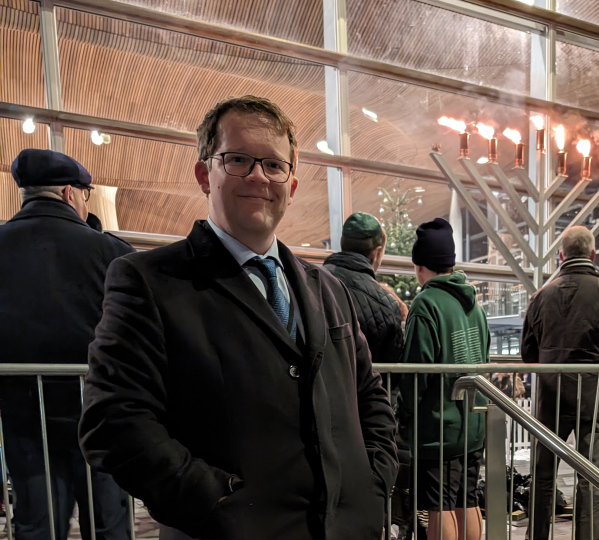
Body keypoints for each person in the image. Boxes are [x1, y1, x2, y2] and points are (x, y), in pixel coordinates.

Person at [79, 96, 398, 540]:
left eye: (273, 165)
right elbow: (114, 420)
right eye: (238, 160)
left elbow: (368, 395)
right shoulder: (149, 281)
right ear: (203, 175)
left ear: (292, 183)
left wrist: (373, 482)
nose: (258, 177)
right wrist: (214, 503)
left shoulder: (327, 289)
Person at [0, 149, 134, 540]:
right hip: (100, 416)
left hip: (25, 417)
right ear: (71, 194)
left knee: (37, 524)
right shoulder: (113, 254)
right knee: (109, 524)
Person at [522, 226, 599, 540]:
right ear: (593, 254)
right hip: (593, 394)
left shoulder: (541, 294)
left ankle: (538, 536)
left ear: (561, 255)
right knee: (590, 475)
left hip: (550, 395)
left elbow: (527, 351)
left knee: (543, 473)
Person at [399, 218, 490, 540]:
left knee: (439, 506)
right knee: (467, 499)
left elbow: (416, 372)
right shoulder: (474, 306)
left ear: (419, 265)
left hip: (438, 429)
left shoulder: (427, 304)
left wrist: (404, 416)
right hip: (472, 424)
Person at [323, 212, 404, 368]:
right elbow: (392, 372)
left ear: (342, 242)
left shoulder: (311, 281)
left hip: (318, 390)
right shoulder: (386, 304)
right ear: (376, 253)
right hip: (364, 391)